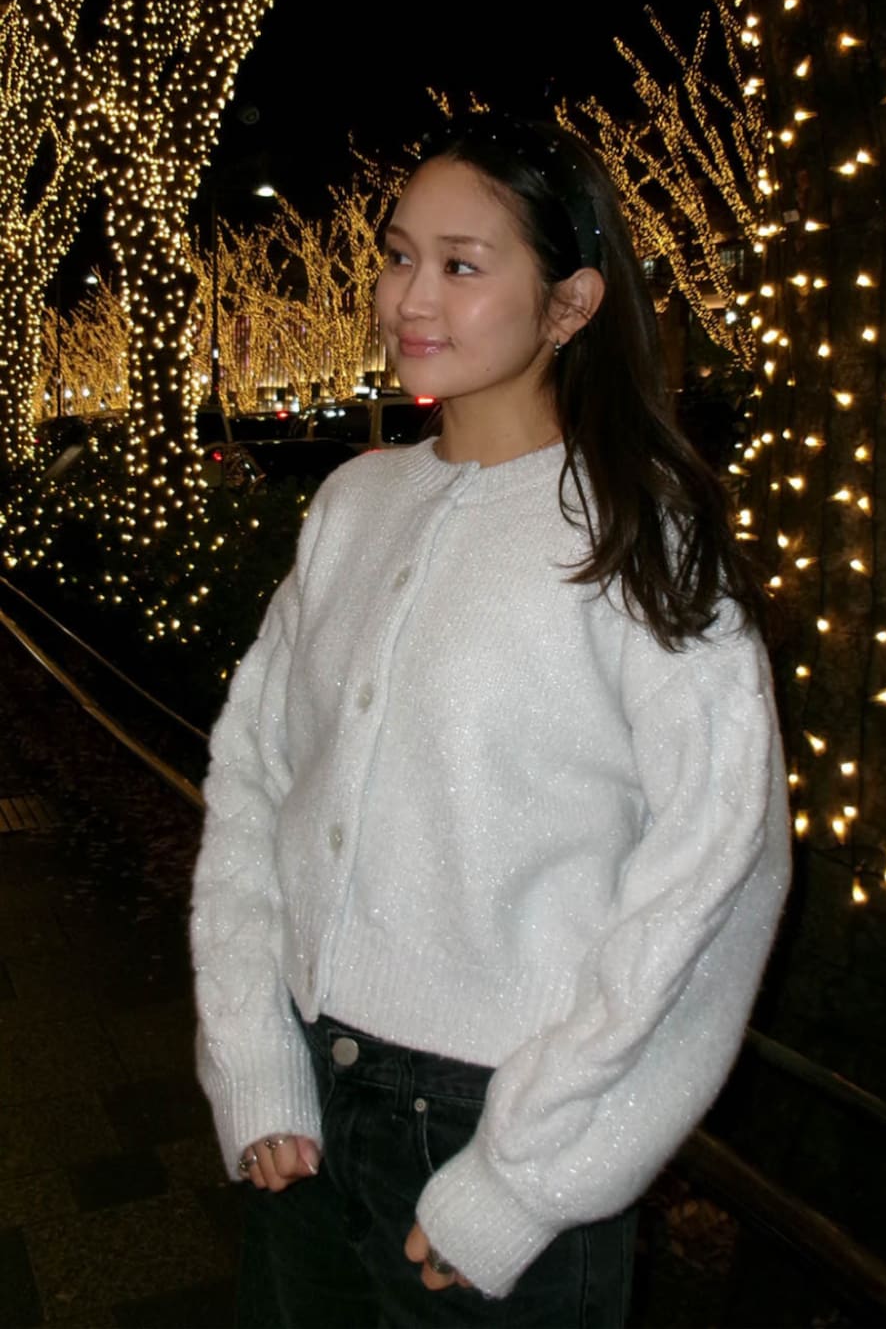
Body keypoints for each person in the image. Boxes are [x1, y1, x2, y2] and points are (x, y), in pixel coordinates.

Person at [190, 114, 792, 1328]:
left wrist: (527, 1173)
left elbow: (716, 871)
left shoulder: (636, 536)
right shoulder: (353, 501)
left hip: (498, 1117)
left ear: (570, 303)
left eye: (462, 264)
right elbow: (256, 779)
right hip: (305, 1103)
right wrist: (250, 1047)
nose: (409, 296)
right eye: (398, 254)